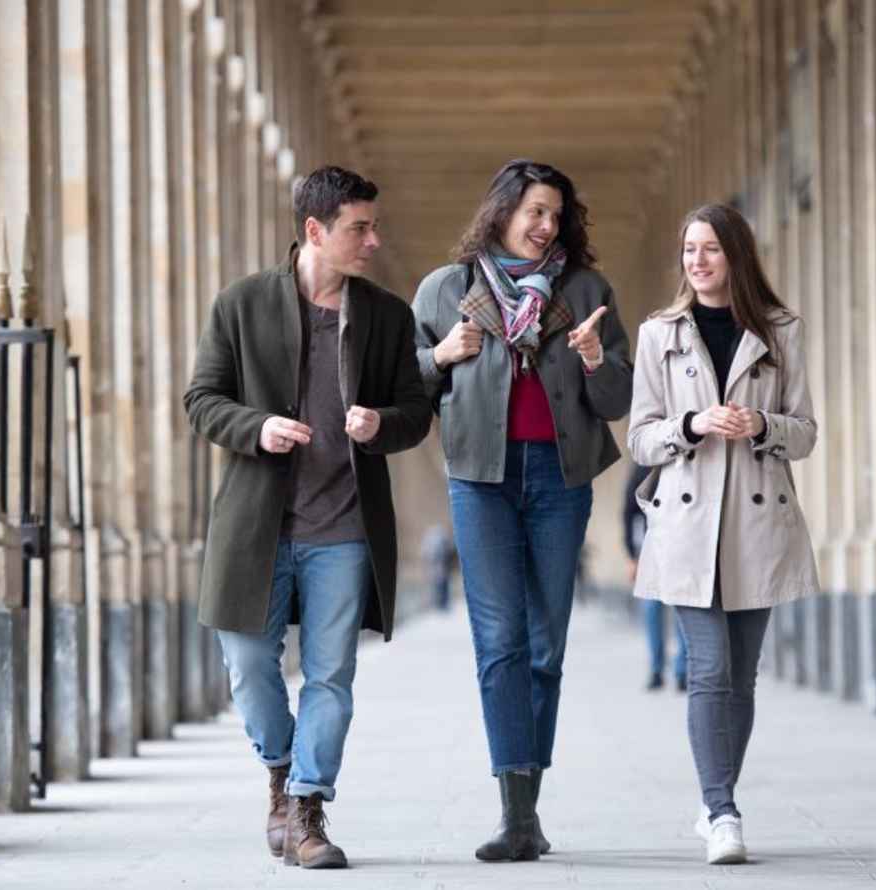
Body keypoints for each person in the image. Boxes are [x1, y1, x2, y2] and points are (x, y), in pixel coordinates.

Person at [183, 166, 432, 869]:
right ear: (315, 231)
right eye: (360, 228)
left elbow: (416, 414)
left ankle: (309, 808)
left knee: (331, 677)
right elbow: (201, 398)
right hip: (255, 528)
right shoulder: (240, 305)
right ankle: (281, 773)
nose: (373, 241)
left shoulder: (385, 316)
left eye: (374, 227)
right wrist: (256, 426)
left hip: (345, 531)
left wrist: (379, 422)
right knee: (248, 665)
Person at [412, 158, 632, 863]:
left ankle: (528, 811)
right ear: (502, 210)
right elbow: (402, 386)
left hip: (560, 480)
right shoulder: (447, 290)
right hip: (482, 478)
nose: (546, 226)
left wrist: (597, 358)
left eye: (557, 215)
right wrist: (440, 355)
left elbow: (620, 401)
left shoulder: (586, 290)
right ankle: (514, 812)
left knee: (546, 646)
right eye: (535, 211)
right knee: (501, 639)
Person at [626, 203, 819, 866]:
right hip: (687, 520)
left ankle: (718, 796)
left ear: (736, 255)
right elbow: (642, 438)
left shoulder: (780, 331)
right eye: (688, 250)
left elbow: (807, 433)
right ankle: (721, 811)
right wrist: (692, 426)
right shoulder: (660, 335)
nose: (698, 262)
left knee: (741, 678)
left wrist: (761, 427)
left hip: (759, 522)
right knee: (707, 670)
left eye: (710, 249)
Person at [623, 462, 687, 691]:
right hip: (650, 553)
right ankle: (657, 669)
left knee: (683, 609)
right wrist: (631, 556)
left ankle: (682, 671)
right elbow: (629, 513)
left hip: (682, 549)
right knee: (651, 610)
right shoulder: (642, 467)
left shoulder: (685, 463)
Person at [420, 524, 458, 611]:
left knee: (440, 585)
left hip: (440, 568)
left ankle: (441, 604)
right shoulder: (443, 540)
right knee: (441, 585)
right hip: (440, 568)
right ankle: (441, 604)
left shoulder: (432, 542)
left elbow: (425, 554)